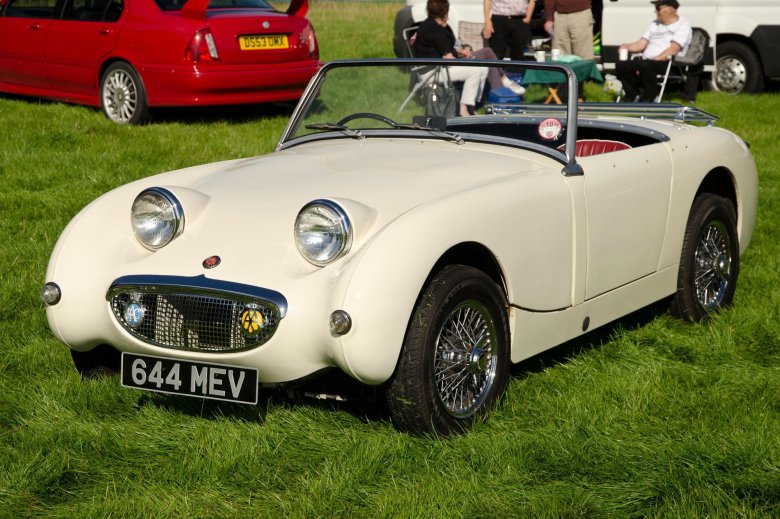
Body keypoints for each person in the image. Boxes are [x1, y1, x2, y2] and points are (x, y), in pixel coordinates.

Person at [414, 0, 523, 116]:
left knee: (483, 68)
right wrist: (467, 61)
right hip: (432, 72)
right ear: (445, 11)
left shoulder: (433, 25)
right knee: (475, 70)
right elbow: (448, 58)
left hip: (439, 67)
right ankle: (464, 108)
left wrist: (461, 53)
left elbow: (444, 52)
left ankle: (473, 105)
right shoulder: (435, 30)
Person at [615, 0, 692, 102]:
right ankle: (633, 96)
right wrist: (627, 46)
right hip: (647, 61)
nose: (655, 11)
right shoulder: (655, 24)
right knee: (621, 65)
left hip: (669, 63)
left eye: (658, 8)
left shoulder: (682, 24)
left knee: (645, 65)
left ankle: (650, 97)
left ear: (670, 9)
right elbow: (641, 44)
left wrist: (653, 60)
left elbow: (674, 49)